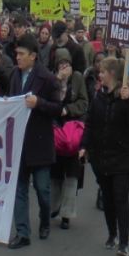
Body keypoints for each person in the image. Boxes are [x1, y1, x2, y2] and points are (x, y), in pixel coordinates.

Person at [79, 56, 129, 256]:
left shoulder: (127, 95)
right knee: (108, 198)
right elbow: (90, 123)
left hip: (121, 157)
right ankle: (112, 234)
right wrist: (84, 146)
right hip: (101, 156)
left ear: (112, 74)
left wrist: (128, 101)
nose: (100, 74)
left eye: (103, 71)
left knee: (120, 199)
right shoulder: (98, 96)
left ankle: (124, 242)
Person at [7, 33, 62, 250]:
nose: (17, 58)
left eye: (21, 54)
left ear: (33, 56)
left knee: (42, 189)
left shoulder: (47, 79)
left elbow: (58, 109)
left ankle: (45, 219)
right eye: (16, 54)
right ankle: (22, 232)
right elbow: (11, 99)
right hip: (19, 143)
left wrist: (39, 103)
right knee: (19, 189)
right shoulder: (14, 75)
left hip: (39, 143)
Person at [50, 48, 89, 230]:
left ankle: (67, 214)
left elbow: (84, 102)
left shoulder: (78, 78)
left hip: (73, 130)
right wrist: (58, 80)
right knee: (56, 172)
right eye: (61, 64)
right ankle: (55, 205)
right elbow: (47, 99)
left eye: (67, 64)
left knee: (72, 175)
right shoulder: (52, 79)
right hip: (56, 130)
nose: (65, 67)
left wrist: (68, 110)